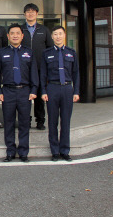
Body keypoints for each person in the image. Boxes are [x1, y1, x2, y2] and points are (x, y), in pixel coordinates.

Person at [0, 24, 39, 162]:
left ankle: (23, 152)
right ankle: (10, 152)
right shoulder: (1, 52)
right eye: (12, 33)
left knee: (24, 123)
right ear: (8, 36)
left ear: (22, 36)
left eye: (17, 33)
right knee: (8, 123)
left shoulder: (29, 52)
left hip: (24, 92)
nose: (15, 35)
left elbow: (34, 73)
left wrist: (34, 90)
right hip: (7, 91)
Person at [40, 26, 80, 162]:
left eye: (60, 34)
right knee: (52, 121)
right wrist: (43, 91)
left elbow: (76, 73)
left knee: (66, 121)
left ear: (64, 35)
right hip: (52, 88)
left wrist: (76, 91)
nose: (58, 36)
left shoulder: (71, 53)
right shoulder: (46, 53)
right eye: (55, 34)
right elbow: (43, 74)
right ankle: (55, 151)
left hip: (67, 89)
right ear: (52, 37)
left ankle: (65, 150)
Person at [21, 3, 53, 130]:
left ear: (37, 14)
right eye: (28, 11)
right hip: (24, 68)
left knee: (40, 95)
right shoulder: (20, 29)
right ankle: (26, 120)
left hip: (40, 68)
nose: (30, 13)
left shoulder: (44, 30)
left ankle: (40, 121)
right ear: (24, 14)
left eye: (33, 11)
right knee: (25, 96)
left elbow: (50, 48)